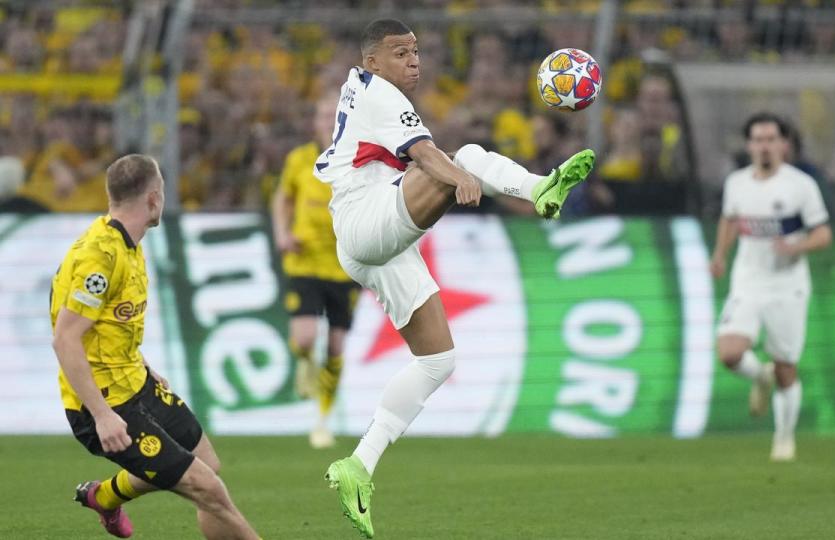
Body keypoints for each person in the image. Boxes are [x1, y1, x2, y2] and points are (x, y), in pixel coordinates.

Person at [318, 19, 595, 538]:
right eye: (400, 53)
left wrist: (454, 175)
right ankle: (540, 190)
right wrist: (462, 178)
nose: (414, 61)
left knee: (437, 359)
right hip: (364, 220)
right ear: (372, 61)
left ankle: (358, 466)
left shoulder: (368, 91)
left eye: (417, 52)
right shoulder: (375, 89)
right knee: (463, 157)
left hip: (369, 240)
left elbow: (417, 157)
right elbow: (425, 154)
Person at [50, 154, 259, 539]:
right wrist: (102, 415)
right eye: (163, 191)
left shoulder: (127, 244)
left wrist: (142, 365)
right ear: (152, 199)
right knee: (209, 491)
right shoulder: (100, 257)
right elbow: (65, 339)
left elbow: (110, 325)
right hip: (107, 403)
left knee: (207, 464)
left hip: (137, 382)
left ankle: (105, 497)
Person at [710, 113, 833, 462]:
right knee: (730, 353)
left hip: (787, 286)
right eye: (758, 139)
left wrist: (797, 247)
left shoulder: (800, 186)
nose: (764, 146)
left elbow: (823, 234)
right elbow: (730, 219)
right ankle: (758, 377)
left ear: (783, 144)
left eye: (771, 139)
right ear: (750, 145)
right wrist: (719, 254)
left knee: (786, 368)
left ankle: (783, 438)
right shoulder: (737, 183)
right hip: (748, 281)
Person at [272, 93, 361, 449]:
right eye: (324, 114)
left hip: (345, 264)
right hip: (305, 262)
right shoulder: (299, 160)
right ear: (315, 122)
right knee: (306, 338)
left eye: (335, 114)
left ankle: (322, 421)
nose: (328, 120)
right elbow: (283, 197)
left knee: (336, 346)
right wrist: (282, 232)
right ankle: (305, 362)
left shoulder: (358, 159)